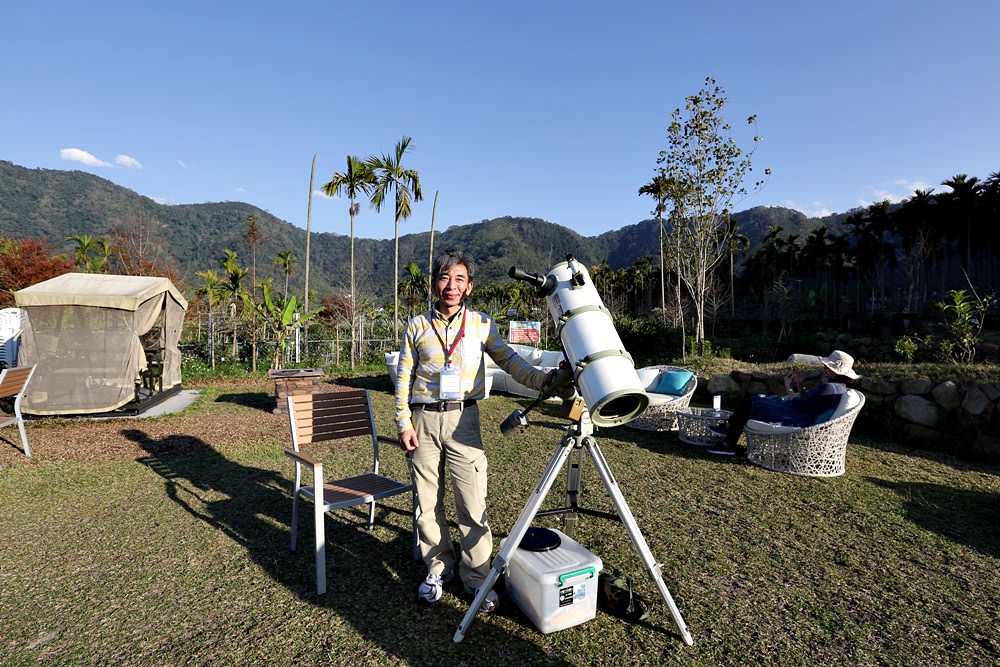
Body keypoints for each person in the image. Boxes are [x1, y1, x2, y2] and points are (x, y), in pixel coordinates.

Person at [394, 249, 554, 613]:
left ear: (469, 286)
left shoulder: (481, 324)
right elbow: (403, 379)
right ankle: (438, 567)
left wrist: (542, 379)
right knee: (426, 503)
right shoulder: (417, 326)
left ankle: (477, 578)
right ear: (436, 283)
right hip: (423, 420)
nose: (451, 286)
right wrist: (404, 422)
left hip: (464, 419)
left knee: (472, 503)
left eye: (459, 279)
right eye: (445, 278)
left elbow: (510, 361)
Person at [706, 350, 861, 456]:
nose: (825, 368)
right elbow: (808, 403)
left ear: (837, 371)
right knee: (753, 399)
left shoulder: (829, 388)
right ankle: (728, 429)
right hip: (800, 414)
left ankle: (728, 443)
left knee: (750, 401)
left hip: (793, 417)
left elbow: (799, 405)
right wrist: (800, 385)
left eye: (828, 367)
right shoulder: (839, 389)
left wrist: (788, 387)